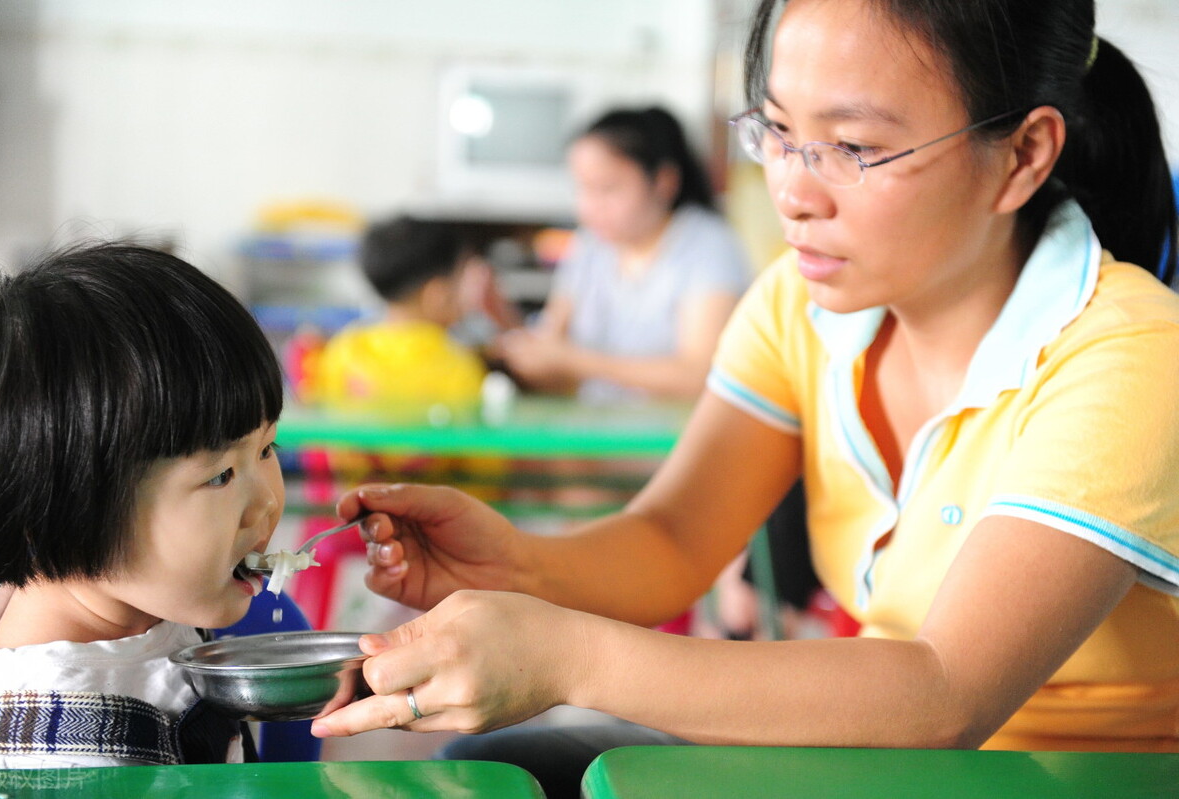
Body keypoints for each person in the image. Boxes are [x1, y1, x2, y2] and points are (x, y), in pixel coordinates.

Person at [310, 0, 1179, 794]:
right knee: (494, 768)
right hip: (890, 760)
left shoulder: (1133, 350)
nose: (794, 193)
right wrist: (520, 564)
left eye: (855, 147)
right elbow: (675, 537)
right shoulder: (800, 304)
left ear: (1023, 155)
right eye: (778, 131)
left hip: (1077, 776)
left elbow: (946, 693)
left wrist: (565, 653)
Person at [0, 243, 287, 768]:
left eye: (267, 448)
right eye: (219, 475)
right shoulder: (62, 755)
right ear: (60, 509)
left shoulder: (145, 606)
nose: (267, 501)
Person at [494, 106, 753, 402]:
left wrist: (575, 360)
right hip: (593, 444)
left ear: (664, 182)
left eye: (607, 189)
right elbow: (553, 366)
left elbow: (699, 376)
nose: (589, 207)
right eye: (583, 188)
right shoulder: (589, 248)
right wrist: (505, 323)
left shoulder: (708, 246)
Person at [303, 215, 488, 417]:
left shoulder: (342, 350)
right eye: (462, 276)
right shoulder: (457, 364)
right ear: (438, 295)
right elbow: (474, 444)